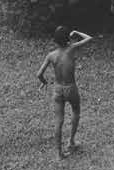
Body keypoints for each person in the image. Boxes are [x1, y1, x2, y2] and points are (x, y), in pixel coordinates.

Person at [37, 26, 93, 159]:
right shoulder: (72, 49)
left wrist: (44, 82)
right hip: (70, 88)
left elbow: (39, 74)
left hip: (57, 89)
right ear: (68, 39)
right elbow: (89, 38)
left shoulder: (51, 55)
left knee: (58, 121)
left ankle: (59, 154)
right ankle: (71, 142)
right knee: (76, 111)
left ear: (55, 41)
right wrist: (77, 32)